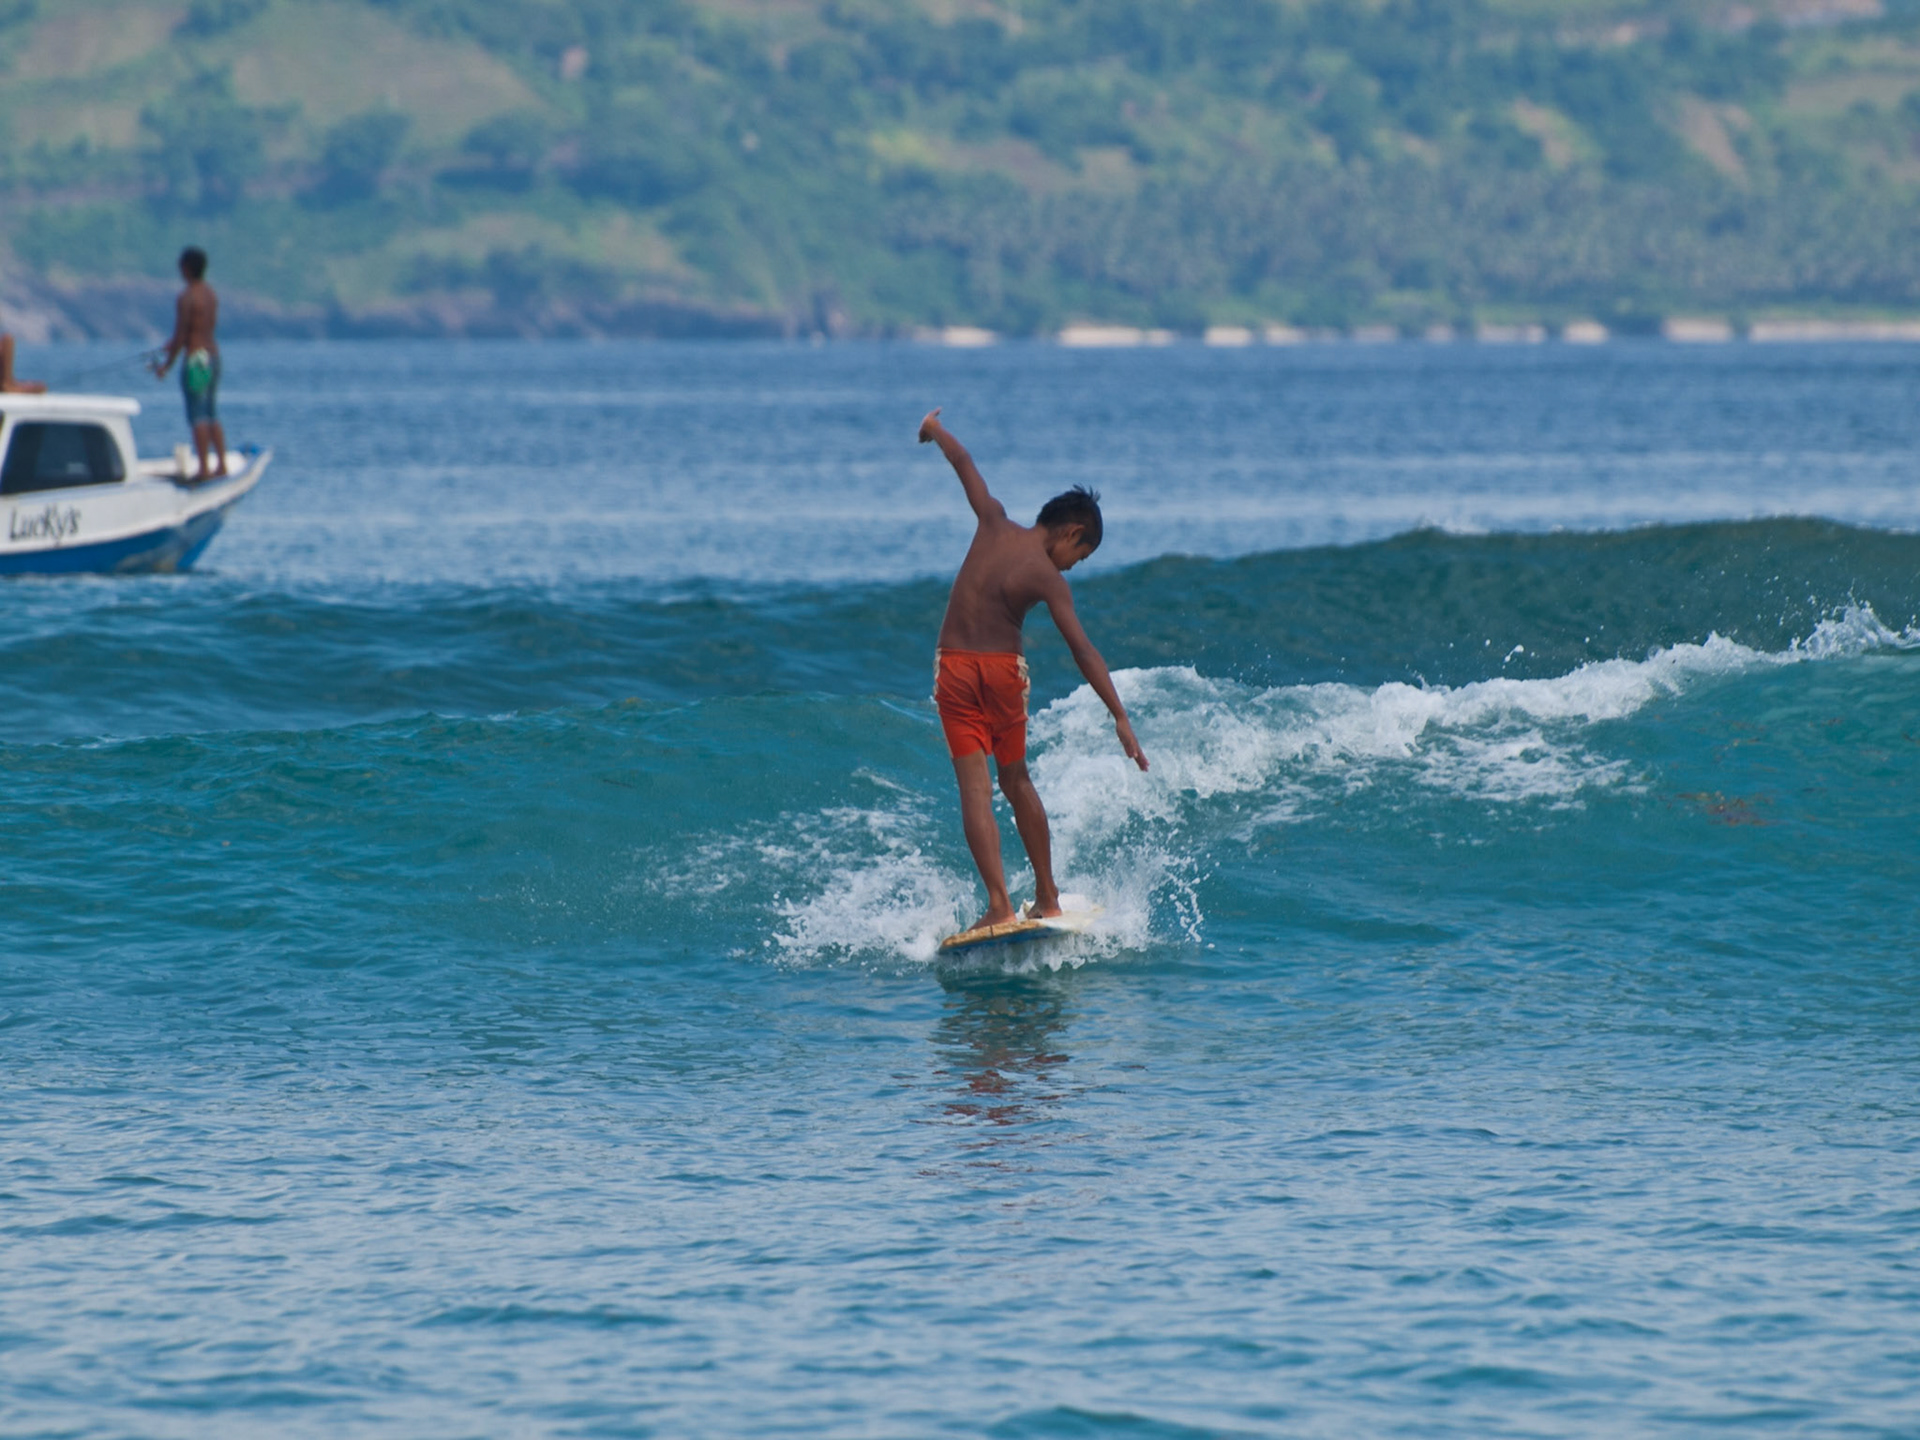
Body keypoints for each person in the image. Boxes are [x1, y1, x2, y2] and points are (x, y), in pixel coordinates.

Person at [919, 407, 1149, 936]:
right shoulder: (1046, 576)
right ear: (1071, 533)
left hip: (952, 669)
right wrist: (1119, 715)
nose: (1073, 566)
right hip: (1001, 674)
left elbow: (964, 462)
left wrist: (935, 431)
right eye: (1080, 556)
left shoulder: (992, 519)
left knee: (974, 792)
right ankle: (1047, 898)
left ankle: (999, 905)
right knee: (1016, 779)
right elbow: (1083, 650)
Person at [150, 246, 226, 479]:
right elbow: (201, 329)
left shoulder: (187, 296)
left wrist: (166, 365)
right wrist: (173, 344)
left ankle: (203, 469)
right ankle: (221, 465)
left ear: (187, 268)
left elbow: (183, 335)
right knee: (211, 412)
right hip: (212, 356)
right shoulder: (210, 294)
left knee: (197, 416)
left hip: (195, 359)